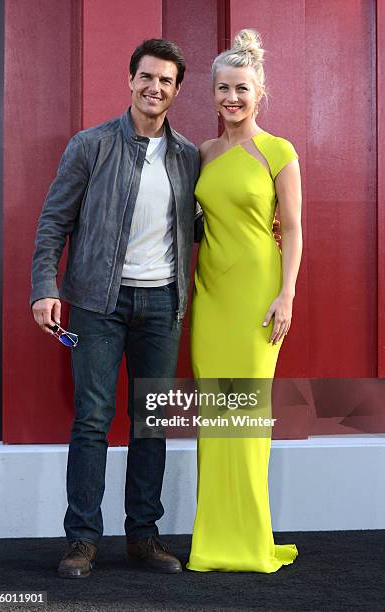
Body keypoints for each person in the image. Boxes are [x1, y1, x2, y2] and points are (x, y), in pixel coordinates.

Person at [30, 39, 200, 578]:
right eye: (147, 77)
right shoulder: (91, 145)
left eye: (166, 81)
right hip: (96, 305)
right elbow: (54, 220)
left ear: (176, 90)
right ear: (131, 80)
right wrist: (43, 286)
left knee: (150, 424)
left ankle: (143, 538)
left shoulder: (188, 156)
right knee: (93, 421)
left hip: (162, 305)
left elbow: (198, 225)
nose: (155, 88)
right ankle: (81, 541)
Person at [186, 29, 302, 572]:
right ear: (212, 93)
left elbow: (295, 232)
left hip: (258, 294)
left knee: (248, 417)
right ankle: (212, 545)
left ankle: (251, 543)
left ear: (260, 92)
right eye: (223, 89)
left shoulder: (279, 151)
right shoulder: (203, 153)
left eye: (242, 89)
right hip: (210, 294)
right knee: (216, 419)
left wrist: (287, 295)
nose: (232, 98)